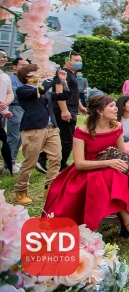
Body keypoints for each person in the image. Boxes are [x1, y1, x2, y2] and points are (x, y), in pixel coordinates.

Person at [44, 95, 129, 235]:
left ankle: (124, 221)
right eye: (112, 106)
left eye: (115, 105)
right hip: (86, 170)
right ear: (99, 111)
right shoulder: (81, 131)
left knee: (112, 174)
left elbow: (121, 154)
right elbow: (79, 164)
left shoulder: (117, 127)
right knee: (106, 176)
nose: (116, 109)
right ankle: (127, 221)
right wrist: (108, 163)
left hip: (111, 167)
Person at [13, 66, 70, 205]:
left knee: (56, 158)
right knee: (30, 162)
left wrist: (63, 82)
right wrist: (48, 78)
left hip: (51, 128)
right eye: (37, 72)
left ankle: (50, 187)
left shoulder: (45, 91)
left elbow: (65, 95)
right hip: (33, 129)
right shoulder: (23, 90)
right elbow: (40, 90)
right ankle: (20, 191)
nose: (41, 75)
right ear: (27, 76)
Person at [37, 52, 85, 174]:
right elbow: (59, 93)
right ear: (67, 60)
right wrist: (64, 110)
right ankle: (52, 161)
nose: (79, 62)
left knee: (65, 138)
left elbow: (74, 93)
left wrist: (80, 106)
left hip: (71, 109)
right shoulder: (62, 74)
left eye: (80, 60)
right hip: (64, 110)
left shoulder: (71, 75)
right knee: (67, 140)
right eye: (76, 60)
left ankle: (49, 159)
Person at [7, 57, 28, 172]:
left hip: (24, 108)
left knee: (20, 137)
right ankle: (8, 165)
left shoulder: (26, 79)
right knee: (14, 136)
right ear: (14, 66)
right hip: (15, 107)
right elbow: (15, 94)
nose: (25, 67)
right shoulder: (11, 79)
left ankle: (12, 162)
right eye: (22, 65)